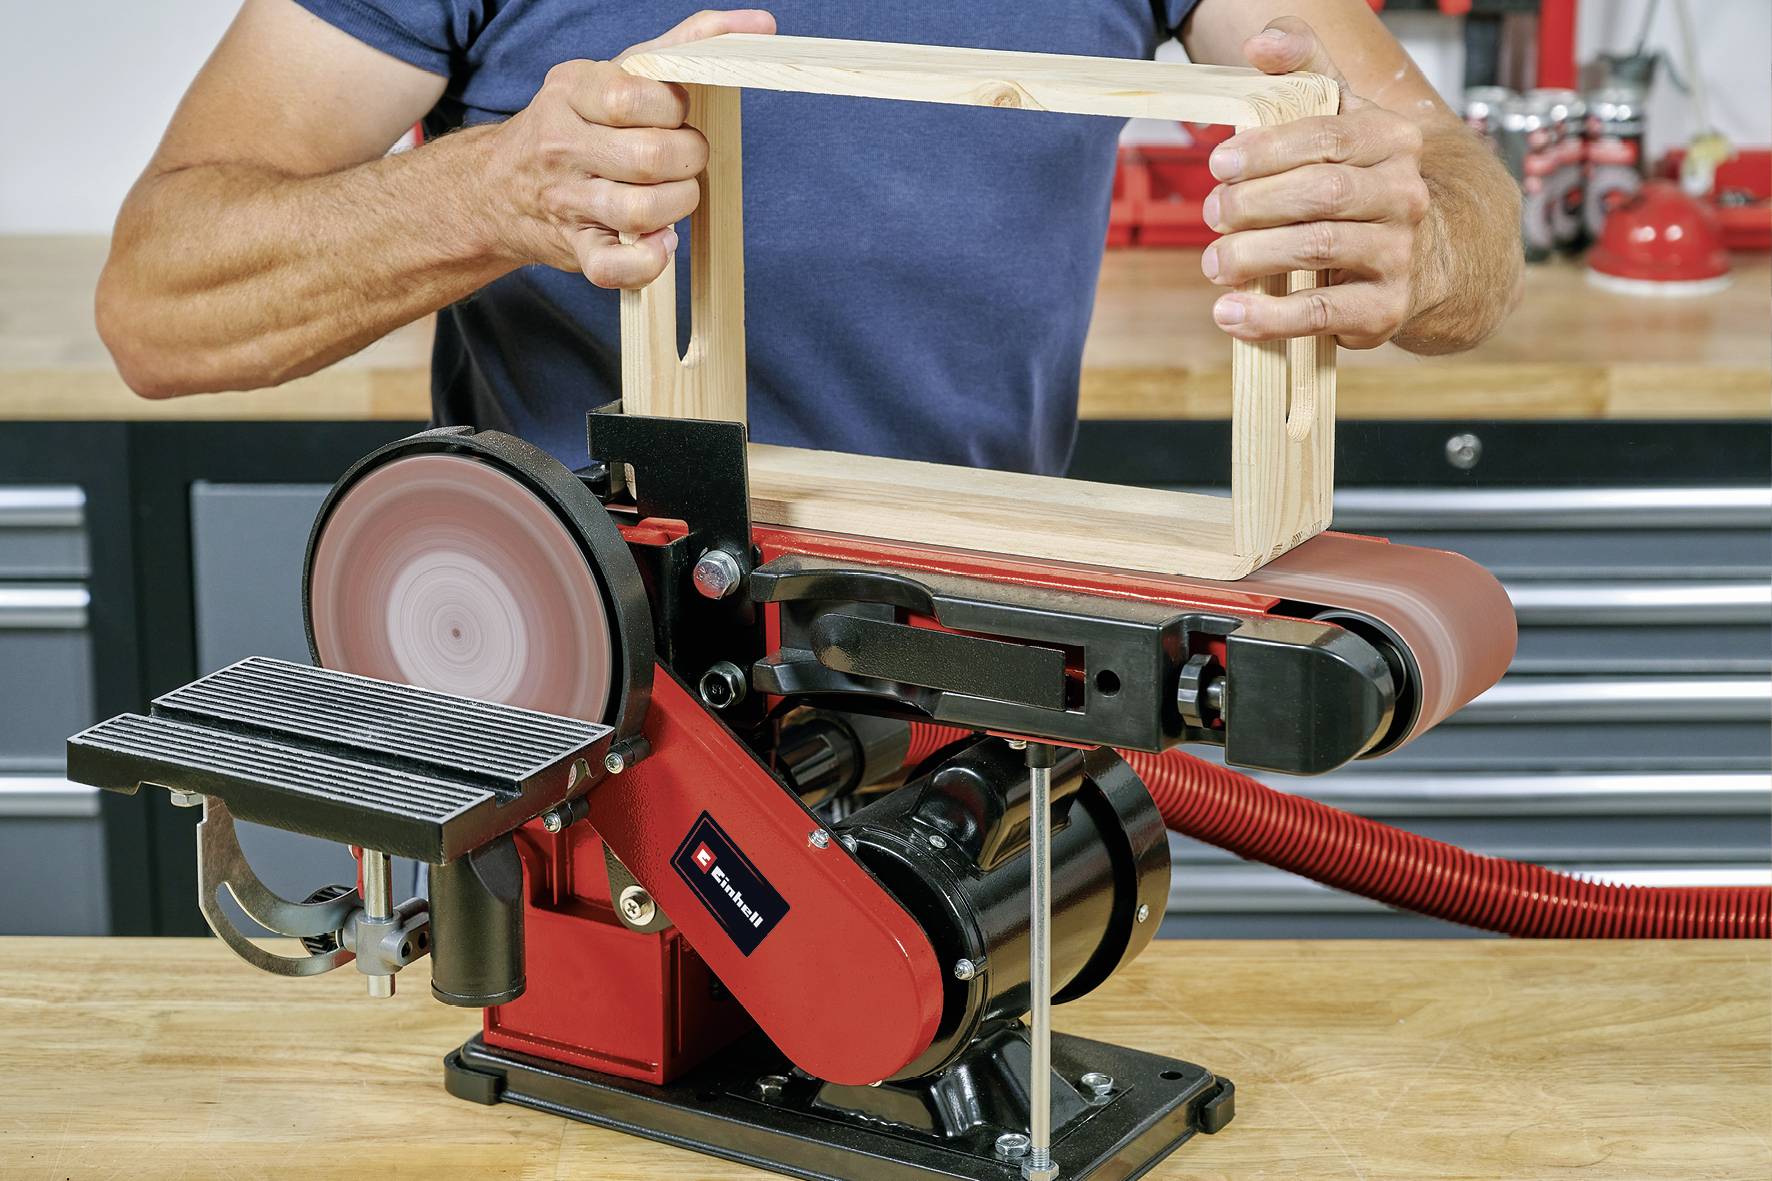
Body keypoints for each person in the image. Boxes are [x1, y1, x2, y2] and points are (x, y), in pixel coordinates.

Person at [96, 0, 1521, 474]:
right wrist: (487, 192)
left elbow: (1458, 189)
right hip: (568, 697)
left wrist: (1421, 240)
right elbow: (158, 302)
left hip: (979, 689)